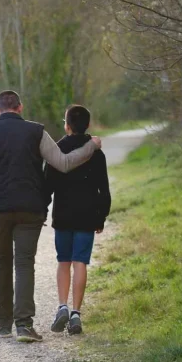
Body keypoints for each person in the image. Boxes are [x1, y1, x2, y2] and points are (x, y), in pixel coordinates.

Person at [0, 90, 101, 343]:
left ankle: (1, 323)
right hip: (30, 209)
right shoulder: (36, 131)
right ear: (20, 108)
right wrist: (91, 146)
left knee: (1, 263)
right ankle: (24, 326)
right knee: (23, 263)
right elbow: (63, 163)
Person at [45, 105, 111, 336]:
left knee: (63, 260)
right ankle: (75, 314)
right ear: (88, 125)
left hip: (63, 214)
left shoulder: (57, 150)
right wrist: (101, 216)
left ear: (67, 125)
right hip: (87, 215)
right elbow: (104, 189)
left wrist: (42, 209)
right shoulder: (96, 153)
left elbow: (47, 186)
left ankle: (62, 306)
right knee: (79, 261)